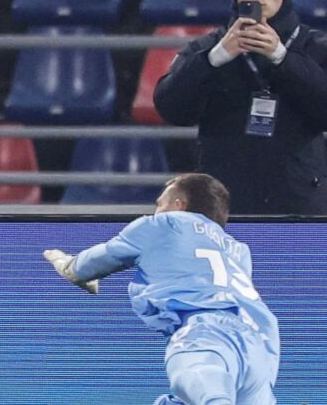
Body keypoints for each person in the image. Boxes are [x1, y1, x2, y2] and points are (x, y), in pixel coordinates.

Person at [42, 173, 279, 405]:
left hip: (206, 331)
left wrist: (67, 264)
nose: (156, 211)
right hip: (259, 345)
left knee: (210, 394)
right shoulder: (239, 250)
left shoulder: (164, 224)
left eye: (159, 204)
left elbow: (87, 266)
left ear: (178, 205)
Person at [154, 0, 327, 215]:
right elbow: (171, 109)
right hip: (222, 200)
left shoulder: (317, 46)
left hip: (299, 196)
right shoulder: (207, 48)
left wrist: (282, 57)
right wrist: (214, 59)